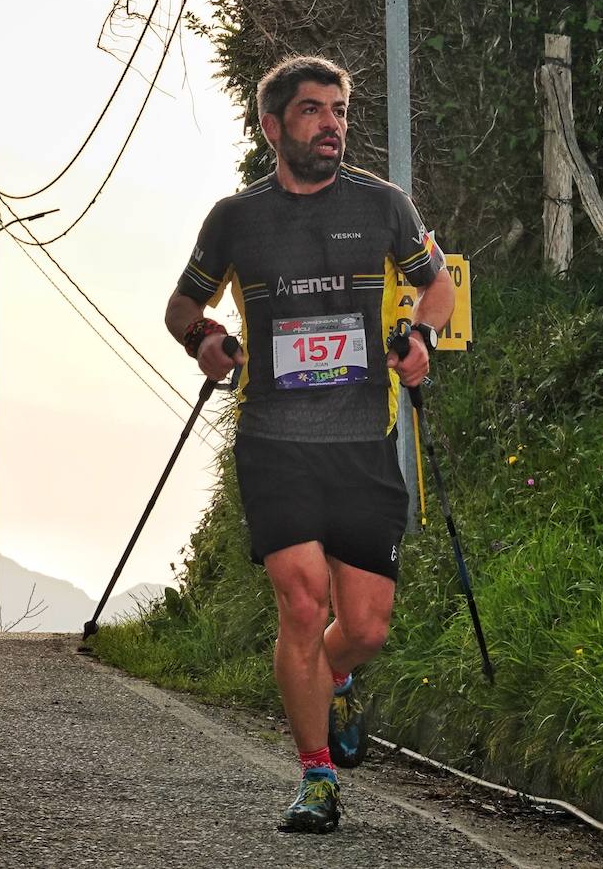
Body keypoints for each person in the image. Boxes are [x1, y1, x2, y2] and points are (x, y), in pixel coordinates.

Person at [164, 55, 454, 833]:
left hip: (363, 438)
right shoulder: (236, 218)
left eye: (340, 111)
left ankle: (335, 682)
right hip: (275, 440)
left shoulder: (384, 205)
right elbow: (182, 304)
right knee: (301, 602)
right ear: (273, 127)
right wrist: (205, 337)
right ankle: (316, 777)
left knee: (363, 628)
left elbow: (438, 284)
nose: (332, 124)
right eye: (313, 112)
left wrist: (421, 334)